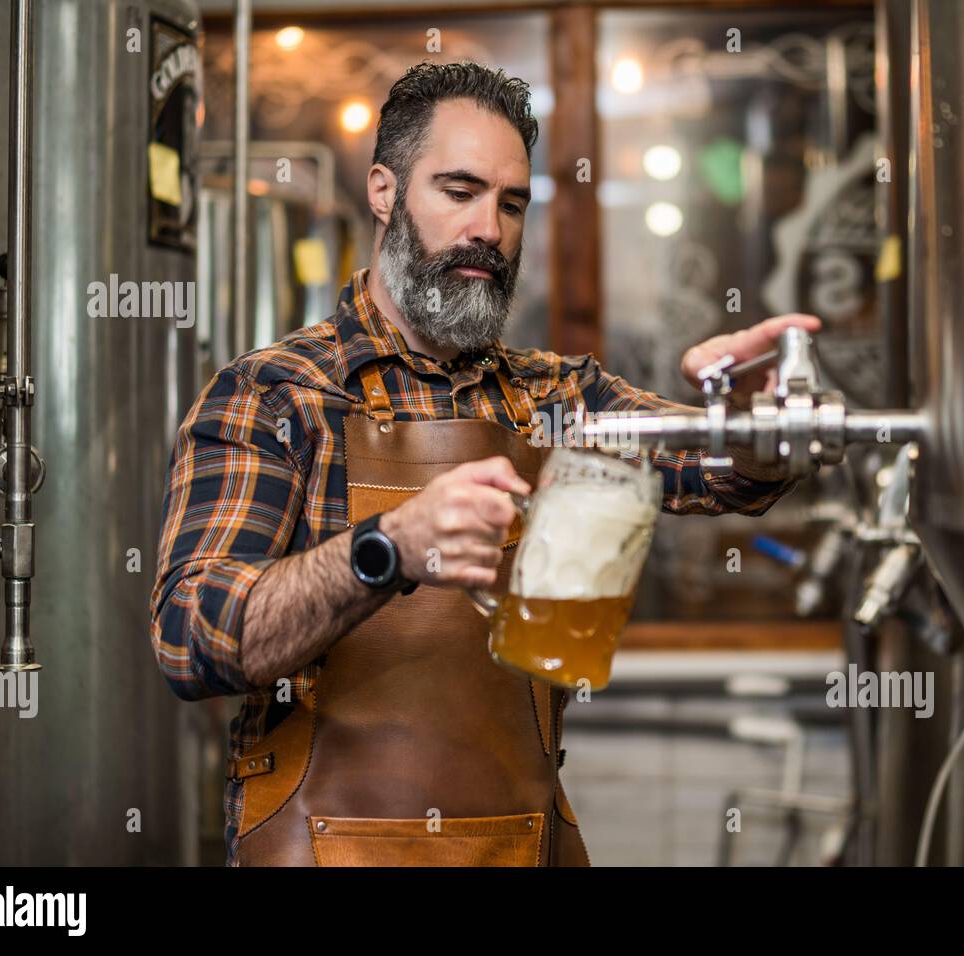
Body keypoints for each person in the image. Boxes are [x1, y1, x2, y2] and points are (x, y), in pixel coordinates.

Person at [150, 60, 818, 867]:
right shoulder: (278, 394)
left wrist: (754, 417)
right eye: (458, 192)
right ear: (385, 192)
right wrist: (386, 549)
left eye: (511, 203)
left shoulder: (557, 399)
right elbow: (191, 636)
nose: (489, 230)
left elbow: (725, 473)